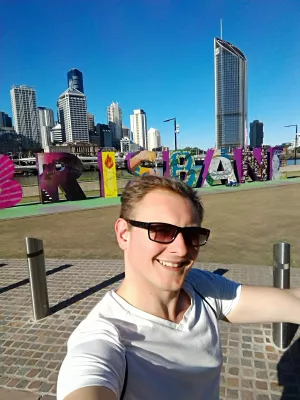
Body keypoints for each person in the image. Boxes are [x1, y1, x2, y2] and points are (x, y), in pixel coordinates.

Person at [57, 175, 300, 400]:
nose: (182, 249)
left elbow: (291, 303)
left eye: (191, 234)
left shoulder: (202, 288)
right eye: (161, 230)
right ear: (124, 234)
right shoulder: (106, 336)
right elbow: (88, 378)